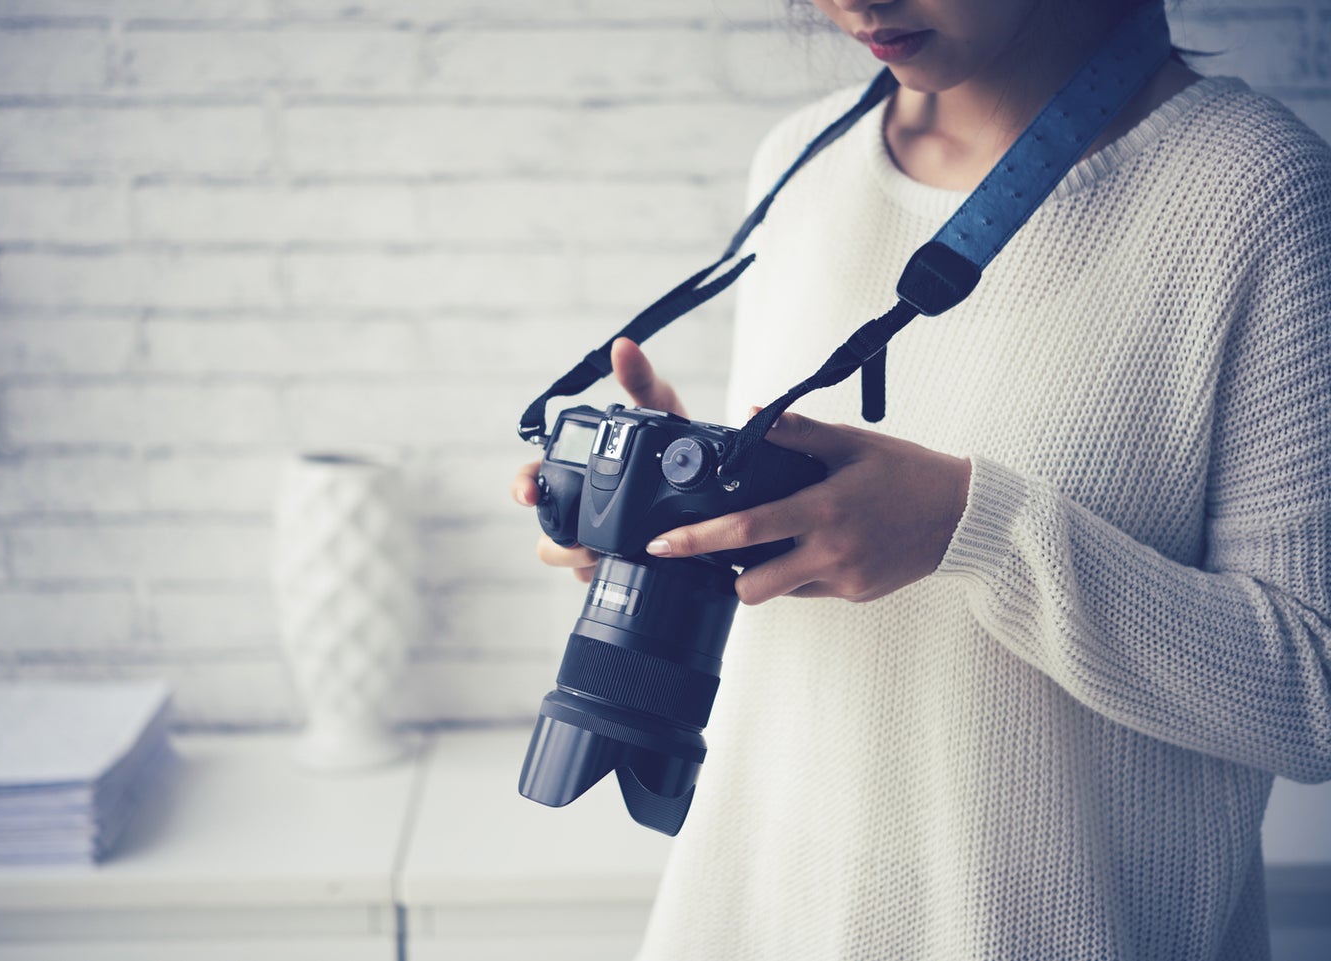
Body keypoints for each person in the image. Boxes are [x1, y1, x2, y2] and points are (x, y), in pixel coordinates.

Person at [510, 0, 1331, 957]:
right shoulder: (799, 164)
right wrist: (694, 521)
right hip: (752, 916)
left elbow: (1314, 695)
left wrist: (974, 531)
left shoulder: (1260, 194)